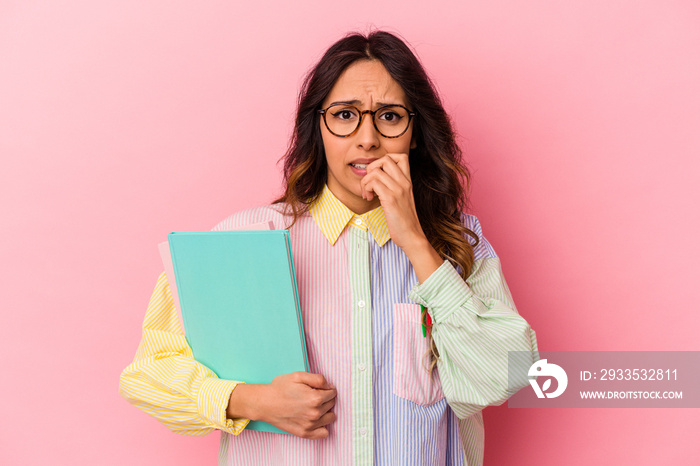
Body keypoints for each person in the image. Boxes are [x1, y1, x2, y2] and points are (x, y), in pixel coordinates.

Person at [119, 30, 539, 466]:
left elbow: (502, 375)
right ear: (318, 127)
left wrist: (415, 241)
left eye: (390, 117)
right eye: (344, 115)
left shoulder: (459, 242)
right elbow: (148, 374)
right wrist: (251, 401)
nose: (367, 139)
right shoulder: (241, 240)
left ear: (414, 133)